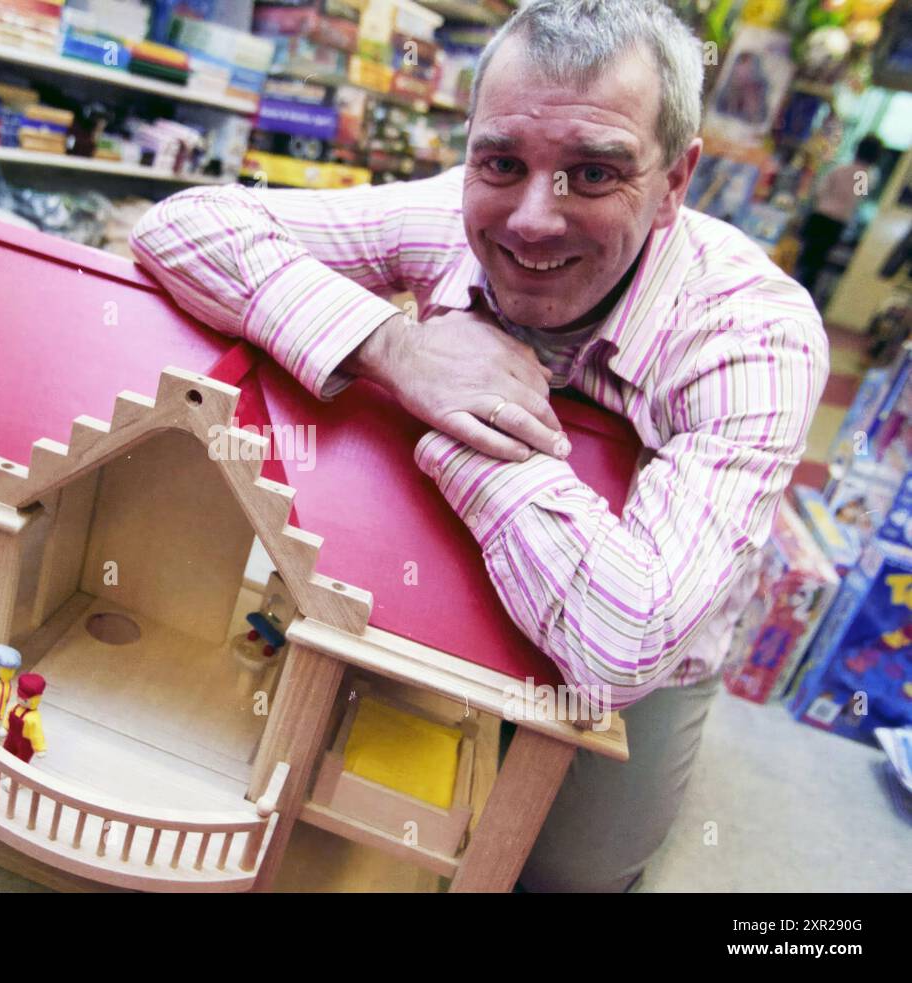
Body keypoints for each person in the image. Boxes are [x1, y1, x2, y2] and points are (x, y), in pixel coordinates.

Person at [130, 0, 827, 891]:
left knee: (567, 870)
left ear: (676, 181)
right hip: (451, 553)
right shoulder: (445, 209)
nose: (535, 218)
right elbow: (180, 226)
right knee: (321, 780)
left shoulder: (756, 331)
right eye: (501, 161)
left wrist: (457, 426)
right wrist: (398, 348)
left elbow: (624, 639)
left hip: (650, 652)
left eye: (596, 171)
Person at [794, 134, 884, 296]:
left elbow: (820, 190)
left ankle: (793, 285)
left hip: (820, 215)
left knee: (804, 255)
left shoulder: (840, 168)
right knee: (818, 262)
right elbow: (857, 200)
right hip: (837, 223)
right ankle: (804, 293)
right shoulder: (865, 177)